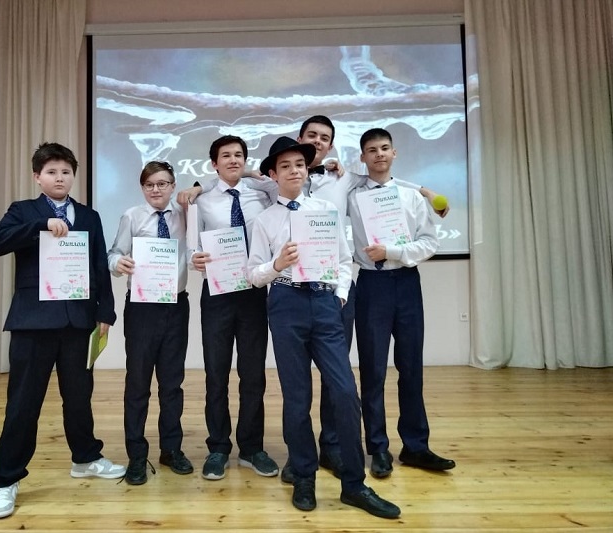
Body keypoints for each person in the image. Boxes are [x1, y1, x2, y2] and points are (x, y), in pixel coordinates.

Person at [179, 115, 448, 483]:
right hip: (264, 294)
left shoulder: (343, 182)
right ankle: (279, 457)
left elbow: (383, 178)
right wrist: (197, 188)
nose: (314, 146)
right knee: (280, 385)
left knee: (340, 384)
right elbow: (239, 186)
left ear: (329, 147)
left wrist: (426, 192)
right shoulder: (262, 196)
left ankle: (335, 451)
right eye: (310, 137)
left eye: (323, 139)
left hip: (328, 296)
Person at [247, 136, 400, 518]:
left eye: (299, 164)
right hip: (286, 304)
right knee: (297, 398)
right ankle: (304, 476)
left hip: (325, 303)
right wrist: (277, 264)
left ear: (307, 169)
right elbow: (252, 274)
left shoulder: (325, 210)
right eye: (285, 166)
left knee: (345, 392)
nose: (294, 171)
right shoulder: (265, 220)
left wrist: (341, 295)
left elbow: (344, 259)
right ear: (273, 174)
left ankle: (354, 484)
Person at [0, 142, 124, 519]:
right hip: (33, 323)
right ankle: (5, 479)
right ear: (37, 177)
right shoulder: (23, 211)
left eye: (65, 172)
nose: (59, 178)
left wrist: (106, 312)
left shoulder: (89, 216)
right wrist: (39, 226)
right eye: (51, 172)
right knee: (23, 403)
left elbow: (99, 267)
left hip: (79, 321)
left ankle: (85, 458)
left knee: (79, 398)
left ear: (73, 175)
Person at [347, 128, 455, 479]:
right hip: (371, 285)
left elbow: (429, 243)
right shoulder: (352, 195)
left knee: (411, 368)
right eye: (371, 150)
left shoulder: (410, 196)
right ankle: (377, 447)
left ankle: (416, 446)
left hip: (406, 283)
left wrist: (392, 251)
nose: (379, 154)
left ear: (394, 153)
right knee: (373, 370)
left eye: (384, 148)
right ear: (362, 157)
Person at [189, 135, 279, 480]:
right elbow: (191, 245)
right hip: (217, 293)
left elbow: (284, 185)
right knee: (216, 373)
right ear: (214, 163)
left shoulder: (262, 194)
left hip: (254, 290)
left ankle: (252, 447)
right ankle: (218, 447)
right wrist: (194, 258)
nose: (233, 160)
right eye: (225, 156)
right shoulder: (202, 200)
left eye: (238, 155)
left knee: (253, 374)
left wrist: (255, 174)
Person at [107, 161, 193, 485]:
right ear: (142, 188)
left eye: (162, 183)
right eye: (149, 185)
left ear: (173, 186)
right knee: (138, 383)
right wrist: (120, 263)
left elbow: (211, 189)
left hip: (176, 305)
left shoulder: (185, 214)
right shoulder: (132, 216)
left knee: (172, 383)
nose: (156, 189)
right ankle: (136, 455)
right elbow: (113, 254)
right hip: (142, 308)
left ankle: (171, 449)